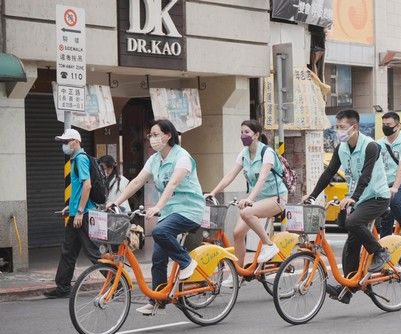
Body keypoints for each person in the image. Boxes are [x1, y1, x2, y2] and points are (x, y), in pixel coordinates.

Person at [110, 119, 205, 315]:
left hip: (189, 209)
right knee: (158, 258)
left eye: (155, 135)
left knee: (159, 231)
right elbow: (137, 182)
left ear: (168, 135)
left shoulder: (182, 157)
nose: (152, 139)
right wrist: (116, 202)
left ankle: (187, 262)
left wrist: (158, 206)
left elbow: (172, 184)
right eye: (150, 136)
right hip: (171, 211)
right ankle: (157, 300)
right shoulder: (154, 160)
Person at [305, 109, 390, 304]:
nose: (338, 131)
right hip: (359, 199)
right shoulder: (341, 148)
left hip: (377, 197)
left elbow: (366, 176)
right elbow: (328, 173)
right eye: (337, 127)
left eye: (342, 127)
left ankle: (379, 252)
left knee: (352, 222)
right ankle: (348, 288)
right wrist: (312, 196)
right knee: (350, 244)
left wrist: (354, 197)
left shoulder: (371, 146)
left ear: (355, 127)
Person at [207, 119, 288, 280]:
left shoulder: (267, 152)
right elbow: (230, 175)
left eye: (247, 132)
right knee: (237, 233)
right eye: (241, 132)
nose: (243, 135)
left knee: (246, 213)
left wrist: (249, 199)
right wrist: (213, 192)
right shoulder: (244, 154)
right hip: (257, 200)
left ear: (256, 135)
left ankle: (268, 245)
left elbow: (262, 178)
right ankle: (238, 274)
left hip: (276, 198)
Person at [44, 129, 101, 298]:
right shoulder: (75, 160)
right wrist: (71, 207)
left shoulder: (81, 159)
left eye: (65, 141)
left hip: (83, 215)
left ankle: (116, 283)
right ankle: (62, 288)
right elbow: (77, 190)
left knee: (92, 252)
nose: (64, 145)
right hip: (76, 213)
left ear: (75, 141)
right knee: (68, 251)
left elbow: (87, 186)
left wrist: (80, 212)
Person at [377, 111, 401, 238]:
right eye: (383, 124)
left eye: (388, 124)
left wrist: (395, 187)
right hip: (386, 185)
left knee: (394, 201)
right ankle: (386, 249)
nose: (385, 127)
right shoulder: (379, 144)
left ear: (398, 126)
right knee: (385, 215)